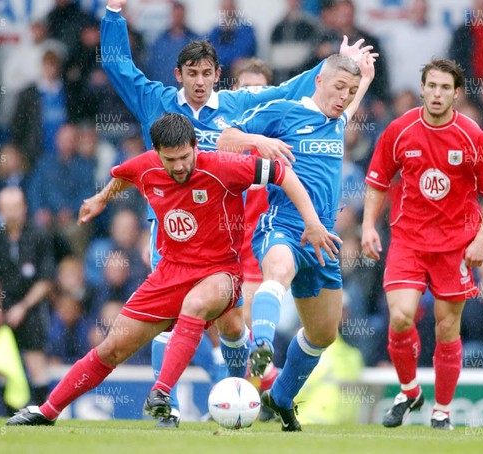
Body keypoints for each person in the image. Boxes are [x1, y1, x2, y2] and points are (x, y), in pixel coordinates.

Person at [101, 0, 372, 428]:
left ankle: (238, 393)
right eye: (191, 74)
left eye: (207, 74)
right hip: (172, 229)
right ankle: (165, 406)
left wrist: (335, 64)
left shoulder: (234, 104)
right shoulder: (155, 101)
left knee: (231, 322)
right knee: (172, 315)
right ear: (179, 75)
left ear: (216, 76)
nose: (199, 82)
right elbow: (118, 65)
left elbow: (288, 93)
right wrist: (114, 13)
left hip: (225, 231)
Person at [6, 113, 338, 426]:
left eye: (184, 157)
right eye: (170, 160)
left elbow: (281, 173)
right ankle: (47, 411)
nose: (179, 166)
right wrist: (101, 199)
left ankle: (162, 392)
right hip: (169, 273)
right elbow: (123, 176)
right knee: (111, 348)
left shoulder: (223, 166)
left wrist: (311, 221)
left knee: (196, 306)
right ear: (157, 153)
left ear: (195, 146)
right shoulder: (147, 166)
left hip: (220, 272)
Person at [217, 51, 375, 431]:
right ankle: (263, 345)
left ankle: (282, 396)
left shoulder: (338, 122)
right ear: (318, 80)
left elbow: (352, 95)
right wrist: (260, 142)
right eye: (339, 87)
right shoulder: (285, 111)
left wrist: (364, 77)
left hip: (323, 240)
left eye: (350, 91)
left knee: (324, 332)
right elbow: (225, 137)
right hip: (283, 226)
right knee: (279, 271)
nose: (344, 97)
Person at [360, 58, 483, 430]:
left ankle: (441, 411)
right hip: (408, 240)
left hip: (455, 245)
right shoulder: (399, 130)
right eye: (432, 86)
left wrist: (482, 239)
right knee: (400, 316)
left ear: (456, 94)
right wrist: (368, 227)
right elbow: (377, 181)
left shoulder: (473, 136)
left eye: (445, 88)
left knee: (446, 327)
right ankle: (410, 392)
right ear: (422, 88)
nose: (437, 94)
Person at [0, 187, 56, 409]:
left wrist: (23, 307)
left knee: (36, 362)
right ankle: (11, 414)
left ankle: (42, 411)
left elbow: (46, 281)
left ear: (25, 208)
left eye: (15, 207)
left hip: (32, 309)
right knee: (6, 365)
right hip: (5, 311)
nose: (11, 213)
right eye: (6, 208)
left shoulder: (39, 236)